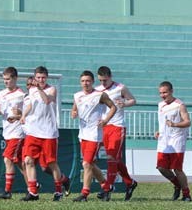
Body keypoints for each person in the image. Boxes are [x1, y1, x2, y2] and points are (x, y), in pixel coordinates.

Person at [20, 66, 66, 201]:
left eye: (43, 77)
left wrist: (40, 89)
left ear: (47, 78)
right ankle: (33, 192)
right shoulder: (32, 90)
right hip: (33, 131)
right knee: (28, 160)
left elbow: (46, 101)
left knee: (51, 164)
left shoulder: (51, 89)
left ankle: (58, 191)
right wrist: (24, 115)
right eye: (38, 77)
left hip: (48, 132)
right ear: (35, 77)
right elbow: (30, 105)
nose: (41, 80)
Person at [71, 70, 117, 202]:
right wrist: (73, 112)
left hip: (94, 134)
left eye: (88, 81)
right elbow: (75, 108)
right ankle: (107, 187)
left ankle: (84, 194)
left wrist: (106, 120)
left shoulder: (99, 95)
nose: (85, 83)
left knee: (86, 164)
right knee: (90, 163)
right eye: (83, 81)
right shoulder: (77, 95)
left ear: (92, 82)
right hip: (83, 134)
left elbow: (113, 107)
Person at [95, 66, 138, 201]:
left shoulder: (120, 88)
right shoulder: (97, 90)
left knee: (112, 158)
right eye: (101, 80)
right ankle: (130, 183)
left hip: (117, 125)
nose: (103, 83)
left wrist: (124, 103)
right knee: (114, 159)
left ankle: (107, 188)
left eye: (105, 80)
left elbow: (133, 100)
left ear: (110, 77)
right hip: (105, 126)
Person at [154, 81, 192, 202]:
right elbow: (162, 122)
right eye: (160, 93)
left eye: (165, 92)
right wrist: (158, 131)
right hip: (163, 141)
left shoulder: (179, 105)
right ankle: (177, 184)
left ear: (171, 91)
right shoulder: (160, 105)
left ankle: (186, 194)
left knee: (177, 169)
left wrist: (174, 124)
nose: (162, 95)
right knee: (161, 167)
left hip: (177, 141)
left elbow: (188, 122)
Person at [0, 66, 27, 199]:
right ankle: (33, 186)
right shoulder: (1, 93)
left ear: (15, 79)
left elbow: (26, 114)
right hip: (7, 132)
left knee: (7, 159)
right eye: (4, 79)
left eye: (8, 79)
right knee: (19, 163)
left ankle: (7, 191)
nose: (5, 82)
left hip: (17, 133)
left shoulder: (22, 95)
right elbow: (2, 111)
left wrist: (19, 114)